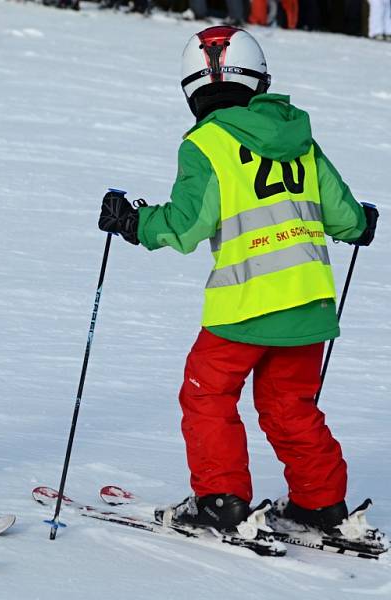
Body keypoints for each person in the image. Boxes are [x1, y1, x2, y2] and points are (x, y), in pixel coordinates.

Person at [98, 26, 379, 535]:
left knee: (206, 393)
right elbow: (345, 218)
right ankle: (320, 504)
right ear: (259, 80)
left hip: (245, 304)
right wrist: (363, 220)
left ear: (193, 88)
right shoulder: (301, 138)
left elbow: (186, 227)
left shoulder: (207, 143)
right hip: (308, 307)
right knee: (290, 403)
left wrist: (134, 222)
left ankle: (222, 499)